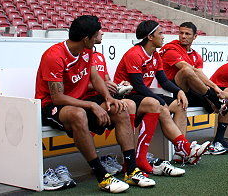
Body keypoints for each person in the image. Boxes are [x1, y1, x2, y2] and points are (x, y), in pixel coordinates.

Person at [35, 15, 154, 193]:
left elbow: (94, 76)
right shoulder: (54, 56)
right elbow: (58, 97)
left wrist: (108, 97)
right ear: (86, 38)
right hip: (51, 105)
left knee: (120, 107)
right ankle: (101, 175)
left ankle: (131, 169)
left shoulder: (87, 50)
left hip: (80, 101)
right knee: (78, 114)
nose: (101, 34)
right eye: (97, 33)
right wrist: (91, 106)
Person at [114, 20, 210, 168]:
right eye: (160, 33)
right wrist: (159, 99)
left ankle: (181, 152)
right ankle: (185, 147)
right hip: (128, 96)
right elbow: (138, 86)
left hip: (143, 94)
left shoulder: (155, 55)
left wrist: (179, 91)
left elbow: (164, 81)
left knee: (180, 105)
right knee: (160, 106)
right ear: (150, 37)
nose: (163, 37)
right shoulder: (134, 54)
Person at [158, 22, 228, 114]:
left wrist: (215, 88)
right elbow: (190, 70)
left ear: (195, 36)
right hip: (171, 89)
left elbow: (199, 74)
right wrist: (215, 88)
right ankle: (216, 102)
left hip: (190, 91)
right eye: (181, 33)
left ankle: (220, 118)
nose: (183, 36)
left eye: (187, 34)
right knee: (186, 70)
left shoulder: (196, 55)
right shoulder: (171, 49)